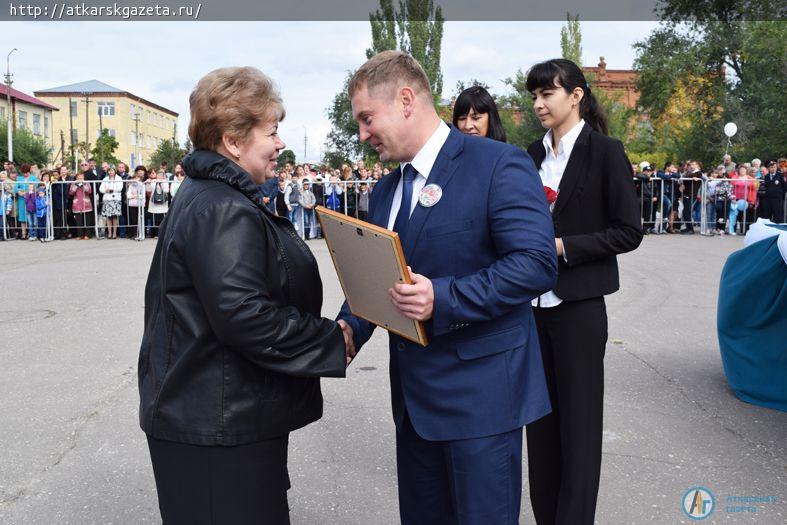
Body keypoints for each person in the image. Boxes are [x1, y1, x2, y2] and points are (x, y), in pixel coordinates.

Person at [337, 50, 557, 524]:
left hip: (481, 401)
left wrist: (444, 296)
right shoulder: (385, 190)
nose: (362, 135)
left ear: (406, 100)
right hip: (414, 403)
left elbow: (536, 264)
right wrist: (349, 325)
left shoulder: (499, 164)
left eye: (367, 119)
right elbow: (383, 275)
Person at [139, 66, 347, 525]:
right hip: (216, 426)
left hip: (217, 414)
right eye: (271, 132)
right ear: (233, 141)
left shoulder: (214, 194)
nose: (279, 144)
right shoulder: (222, 209)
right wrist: (333, 341)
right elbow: (245, 317)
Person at [524, 58, 643, 525]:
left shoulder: (605, 151)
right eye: (533, 95)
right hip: (530, 308)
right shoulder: (530, 155)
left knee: (579, 429)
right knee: (540, 426)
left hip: (577, 309)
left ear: (576, 95)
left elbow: (627, 231)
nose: (538, 104)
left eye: (547, 94)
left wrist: (563, 246)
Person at [100, 167, 123, 239]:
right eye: (109, 170)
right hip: (107, 199)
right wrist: (106, 190)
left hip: (116, 199)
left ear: (115, 171)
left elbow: (120, 188)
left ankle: (114, 233)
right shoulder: (105, 179)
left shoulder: (119, 178)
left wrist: (112, 190)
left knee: (115, 217)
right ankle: (109, 233)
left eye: (112, 170)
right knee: (108, 217)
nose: (111, 172)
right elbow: (101, 189)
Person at [145, 170, 169, 238]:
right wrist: (148, 183)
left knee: (162, 220)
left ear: (164, 176)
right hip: (154, 205)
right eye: (159, 175)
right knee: (154, 220)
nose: (160, 176)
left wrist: (162, 183)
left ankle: (161, 234)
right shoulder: (153, 181)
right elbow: (148, 190)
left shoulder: (165, 182)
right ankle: (154, 234)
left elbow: (166, 190)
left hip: (163, 205)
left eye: (161, 175)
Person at [69, 172, 93, 240]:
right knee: (78, 221)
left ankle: (87, 234)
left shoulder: (86, 182)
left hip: (86, 204)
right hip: (77, 204)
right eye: (78, 177)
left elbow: (89, 191)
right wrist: (76, 185)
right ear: (76, 177)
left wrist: (83, 185)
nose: (80, 178)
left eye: (81, 177)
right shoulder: (73, 183)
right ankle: (80, 235)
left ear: (83, 177)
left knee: (87, 220)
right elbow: (71, 192)